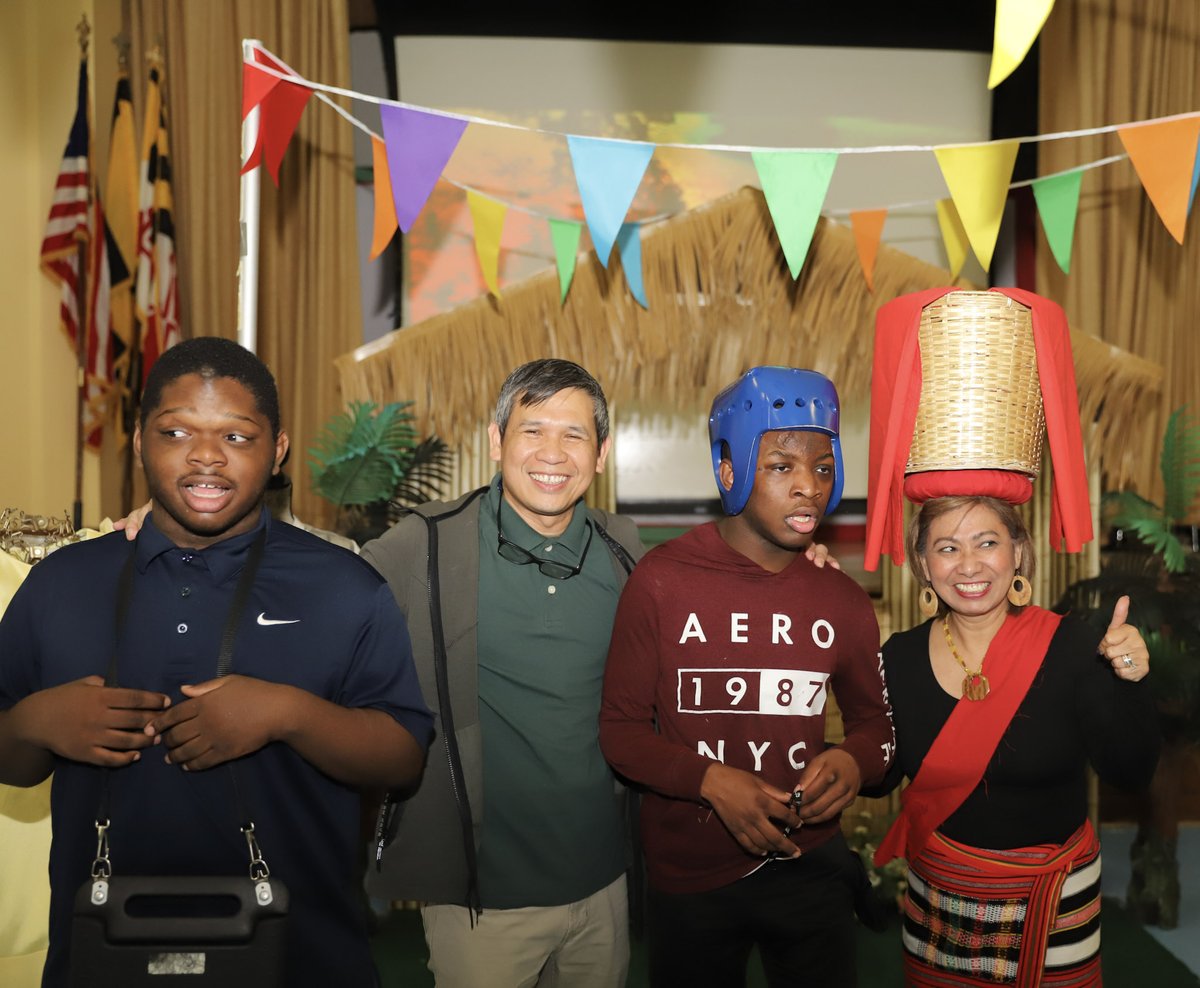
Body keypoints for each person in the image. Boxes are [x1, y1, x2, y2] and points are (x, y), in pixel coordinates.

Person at [0, 337, 433, 987]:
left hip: (302, 956)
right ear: (141, 441)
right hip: (105, 955)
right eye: (176, 430)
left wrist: (288, 713)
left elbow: (403, 758)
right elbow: (12, 760)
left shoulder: (344, 586)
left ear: (277, 449)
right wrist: (36, 722)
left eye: (236, 436)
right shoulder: (60, 584)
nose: (205, 455)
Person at [599, 366, 895, 987]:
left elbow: (875, 726)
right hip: (689, 875)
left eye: (821, 466)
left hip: (812, 868)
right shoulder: (660, 580)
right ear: (728, 471)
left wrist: (852, 763)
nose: (808, 488)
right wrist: (710, 781)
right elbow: (621, 734)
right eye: (781, 466)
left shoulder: (841, 599)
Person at [361, 358, 645, 987]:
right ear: (496, 441)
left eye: (574, 434)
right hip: (479, 901)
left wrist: (801, 558)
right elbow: (320, 579)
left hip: (602, 889)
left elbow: (722, 581)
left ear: (600, 454)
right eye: (532, 429)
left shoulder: (628, 553)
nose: (553, 452)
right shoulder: (426, 545)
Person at [871, 495, 1159, 986]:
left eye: (987, 543)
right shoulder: (898, 657)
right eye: (946, 548)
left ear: (1018, 552)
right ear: (923, 563)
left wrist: (1131, 680)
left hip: (1056, 906)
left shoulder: (1072, 647)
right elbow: (879, 778)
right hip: (940, 902)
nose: (968, 565)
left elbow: (1130, 774)